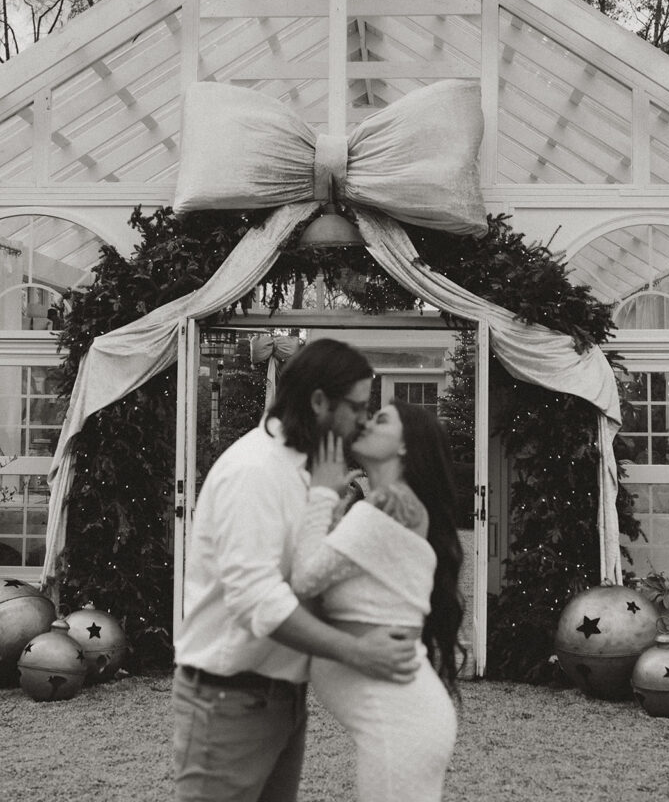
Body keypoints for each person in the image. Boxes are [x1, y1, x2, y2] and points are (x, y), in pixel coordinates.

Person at [172, 338, 419, 802]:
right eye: (356, 407)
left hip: (281, 696)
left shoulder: (305, 470)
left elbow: (307, 576)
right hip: (229, 702)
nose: (362, 420)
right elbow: (256, 599)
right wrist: (357, 651)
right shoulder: (254, 471)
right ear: (319, 401)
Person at [291, 398, 466, 802]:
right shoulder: (390, 504)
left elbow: (304, 579)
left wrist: (320, 494)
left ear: (405, 445)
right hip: (405, 717)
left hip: (400, 723)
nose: (367, 423)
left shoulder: (386, 507)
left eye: (382, 420)